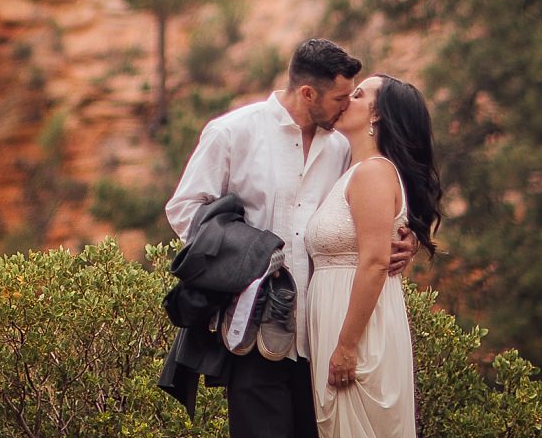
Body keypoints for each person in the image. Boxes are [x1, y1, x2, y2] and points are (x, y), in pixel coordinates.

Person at [166, 39, 416, 438]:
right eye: (339, 97)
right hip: (255, 327)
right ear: (307, 93)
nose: (346, 105)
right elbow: (184, 209)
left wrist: (404, 238)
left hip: (322, 335)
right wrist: (242, 261)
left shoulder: (340, 146)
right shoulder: (232, 132)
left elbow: (364, 210)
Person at [304, 74, 443, 438]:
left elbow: (375, 261)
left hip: (358, 333)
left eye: (359, 94)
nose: (346, 98)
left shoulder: (374, 173)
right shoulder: (352, 170)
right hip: (337, 324)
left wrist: (348, 346)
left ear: (378, 115)